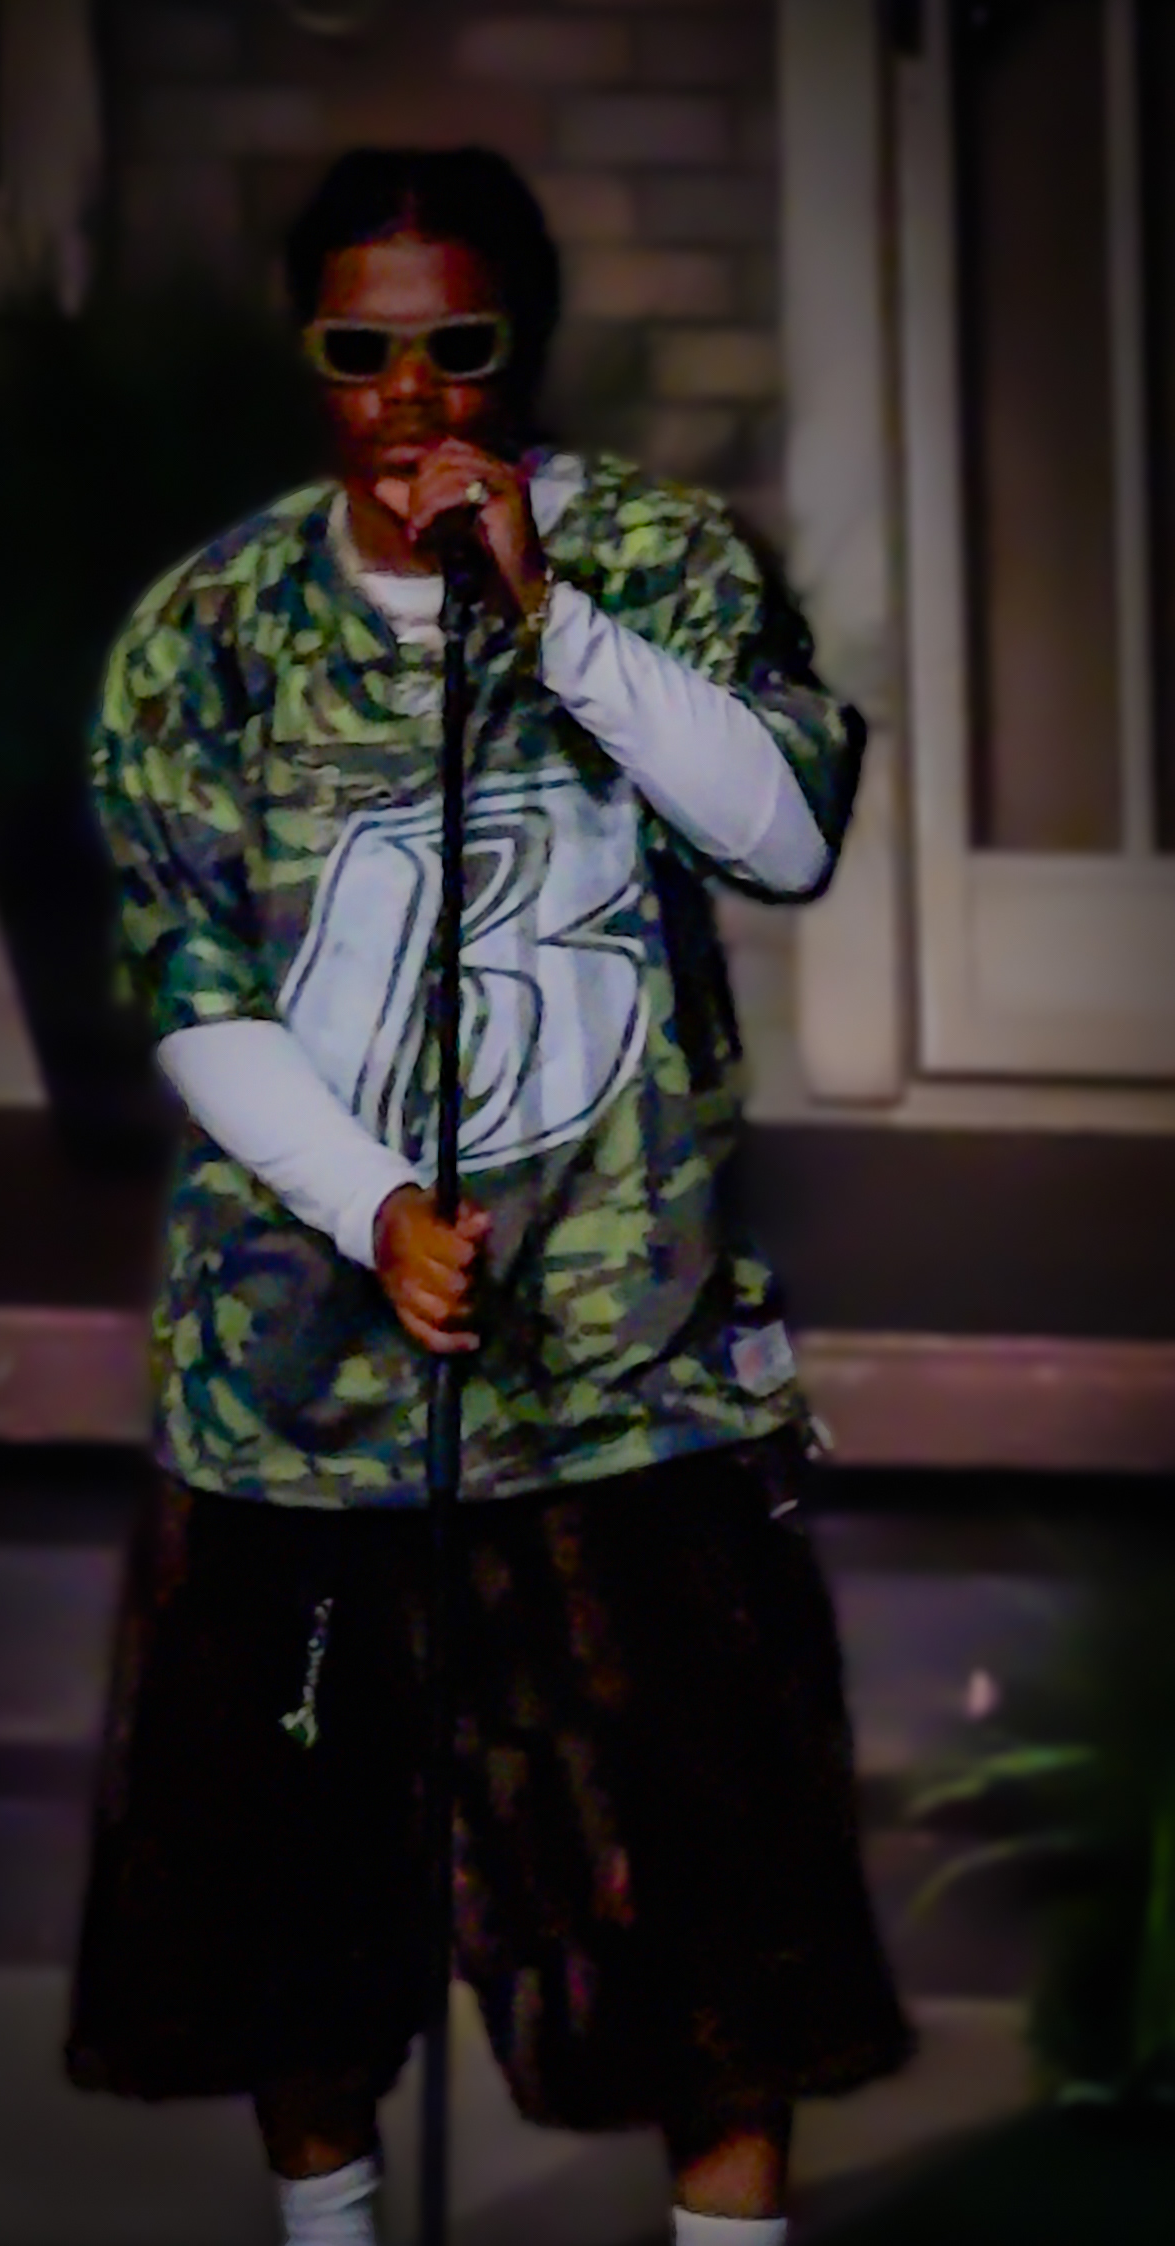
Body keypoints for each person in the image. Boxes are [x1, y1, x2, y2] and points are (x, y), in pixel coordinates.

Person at [65, 146, 912, 2246]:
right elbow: (190, 981)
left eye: (456, 346)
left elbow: (784, 833)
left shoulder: (658, 560)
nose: (410, 397)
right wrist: (371, 1205)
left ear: (517, 349)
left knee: (718, 1935)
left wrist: (550, 614)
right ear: (308, 357)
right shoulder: (208, 634)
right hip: (304, 1396)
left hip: (632, 1373)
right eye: (360, 351)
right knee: (290, 1937)